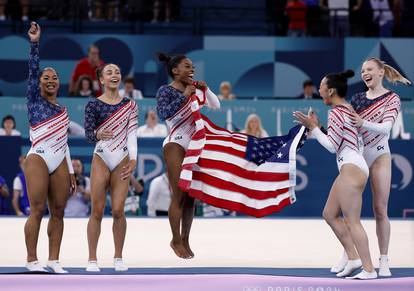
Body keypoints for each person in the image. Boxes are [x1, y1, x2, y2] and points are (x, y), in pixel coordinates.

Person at [293, 69, 377, 279]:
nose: (319, 90)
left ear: (330, 90)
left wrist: (313, 128)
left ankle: (369, 269)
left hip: (352, 167)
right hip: (351, 166)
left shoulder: (337, 112)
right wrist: (317, 127)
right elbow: (339, 139)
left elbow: (332, 146)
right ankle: (352, 258)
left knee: (353, 221)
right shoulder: (346, 109)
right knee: (329, 214)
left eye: (321, 86)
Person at [330, 57, 411, 277]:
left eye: (369, 69)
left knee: (380, 210)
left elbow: (386, 129)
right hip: (357, 158)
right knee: (346, 211)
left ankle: (383, 260)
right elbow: (345, 124)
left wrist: (362, 122)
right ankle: (349, 255)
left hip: (380, 156)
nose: (365, 73)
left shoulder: (391, 98)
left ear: (381, 72)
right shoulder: (357, 98)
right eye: (363, 70)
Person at [156, 52, 220, 259]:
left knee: (191, 197)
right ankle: (174, 239)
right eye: (187, 66)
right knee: (180, 193)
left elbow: (216, 105)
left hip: (194, 144)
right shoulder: (165, 90)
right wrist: (185, 95)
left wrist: (206, 89)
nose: (192, 69)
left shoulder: (196, 90)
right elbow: (164, 113)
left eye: (192, 66)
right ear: (175, 71)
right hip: (175, 142)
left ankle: (185, 238)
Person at [24, 22, 76, 273]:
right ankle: (32, 259)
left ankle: (53, 260)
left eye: (55, 78)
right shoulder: (34, 99)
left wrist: (72, 172)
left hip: (59, 160)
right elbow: (33, 71)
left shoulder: (63, 111)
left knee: (58, 211)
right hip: (39, 157)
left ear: (59, 83)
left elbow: (64, 143)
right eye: (46, 77)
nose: (51, 80)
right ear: (40, 83)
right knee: (37, 209)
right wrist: (35, 44)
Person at [84, 62, 138, 272]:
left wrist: (133, 159)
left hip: (122, 157)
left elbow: (132, 134)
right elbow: (89, 134)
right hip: (101, 157)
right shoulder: (93, 105)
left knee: (118, 210)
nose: (114, 74)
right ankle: (92, 259)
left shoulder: (130, 105)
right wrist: (97, 134)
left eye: (117, 71)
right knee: (96, 211)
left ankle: (118, 257)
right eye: (109, 72)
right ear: (102, 80)